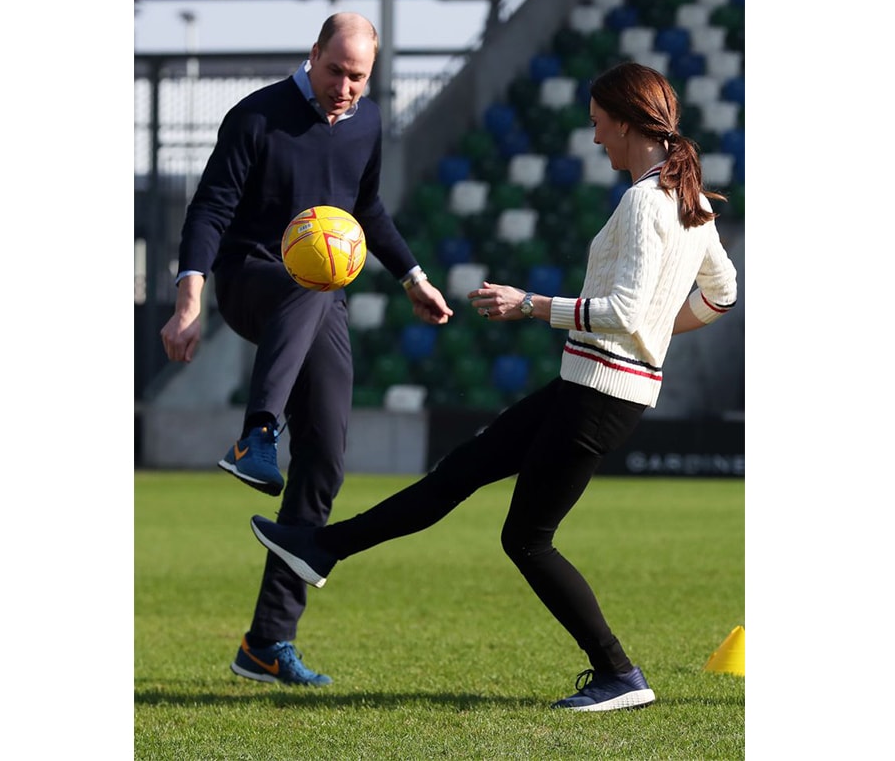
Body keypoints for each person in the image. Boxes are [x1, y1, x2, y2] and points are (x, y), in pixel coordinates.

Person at [247, 62, 738, 711]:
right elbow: (722, 295)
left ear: (624, 122)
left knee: (526, 539)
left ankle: (620, 674)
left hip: (602, 393)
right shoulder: (691, 202)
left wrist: (530, 303)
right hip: (591, 383)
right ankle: (321, 547)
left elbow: (623, 310)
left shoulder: (647, 202)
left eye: (598, 125)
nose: (595, 139)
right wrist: (659, 333)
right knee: (461, 470)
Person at [159, 12, 453, 687]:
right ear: (313, 53)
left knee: (324, 460)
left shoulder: (368, 123)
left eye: (359, 76)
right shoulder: (255, 117)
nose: (346, 87)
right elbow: (208, 209)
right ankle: (256, 434)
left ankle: (267, 643)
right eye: (336, 70)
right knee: (314, 274)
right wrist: (189, 300)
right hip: (250, 278)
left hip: (321, 294)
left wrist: (413, 276)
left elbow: (367, 209)